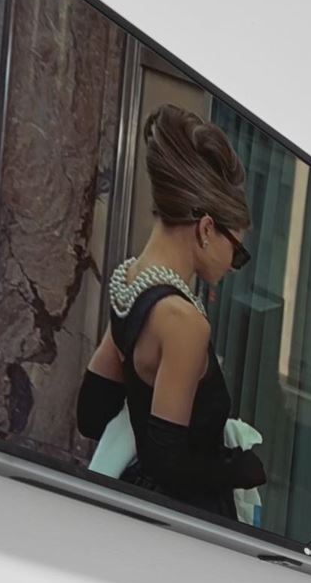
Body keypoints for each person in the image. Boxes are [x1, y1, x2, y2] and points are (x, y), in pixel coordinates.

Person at [77, 104, 266, 513]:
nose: (234, 266)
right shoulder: (183, 322)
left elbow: (91, 415)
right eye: (238, 252)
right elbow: (166, 465)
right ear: (207, 229)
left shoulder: (130, 285)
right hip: (183, 520)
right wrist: (235, 468)